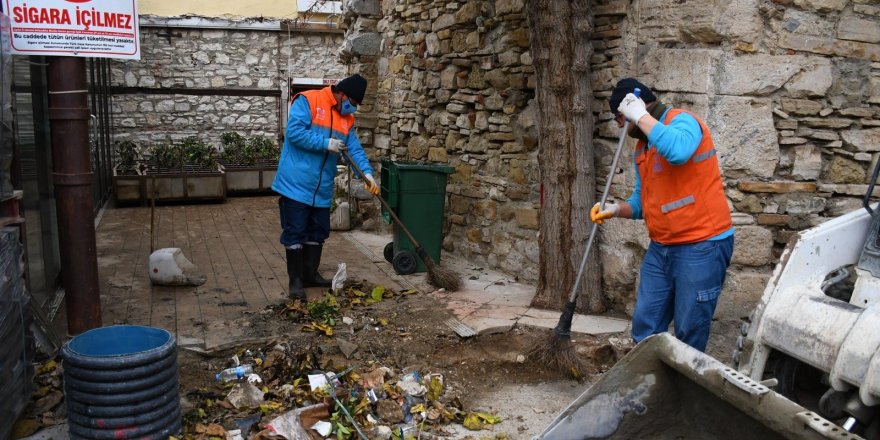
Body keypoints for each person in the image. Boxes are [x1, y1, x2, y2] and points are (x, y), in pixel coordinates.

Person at [590, 78, 734, 352]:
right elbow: (642, 202)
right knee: (646, 323)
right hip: (662, 249)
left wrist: (640, 115)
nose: (619, 125)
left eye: (620, 117)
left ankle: (681, 389)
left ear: (637, 107)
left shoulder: (684, 121)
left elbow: (679, 152)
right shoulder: (642, 148)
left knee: (689, 328)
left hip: (702, 245)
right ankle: (647, 385)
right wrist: (615, 209)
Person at [272, 73, 379, 300]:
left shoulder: (346, 119)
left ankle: (310, 274)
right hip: (296, 183)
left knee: (318, 231)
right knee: (295, 232)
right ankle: (296, 282)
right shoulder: (308, 100)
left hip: (321, 187)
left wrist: (368, 174)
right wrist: (326, 143)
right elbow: (294, 133)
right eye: (352, 103)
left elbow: (354, 150)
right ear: (341, 94)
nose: (353, 109)